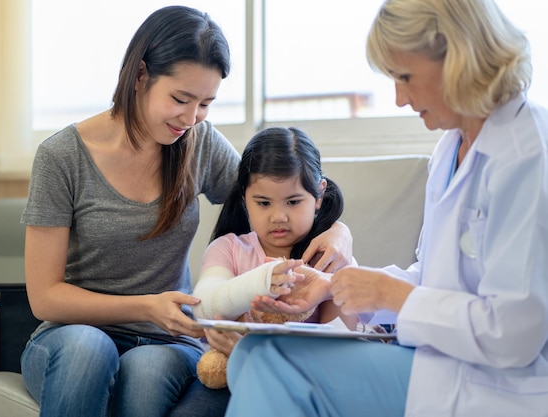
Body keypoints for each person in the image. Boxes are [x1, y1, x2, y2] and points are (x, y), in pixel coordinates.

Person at [19, 6, 352, 417]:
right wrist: (145, 306)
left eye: (206, 104)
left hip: (167, 341)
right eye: (180, 99)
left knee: (145, 374)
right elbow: (45, 298)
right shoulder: (61, 157)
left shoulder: (198, 142)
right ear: (140, 75)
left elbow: (276, 191)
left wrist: (339, 229)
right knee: (90, 350)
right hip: (70, 337)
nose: (191, 118)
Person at [224, 0, 548, 416]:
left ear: (458, 57)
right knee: (254, 351)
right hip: (443, 364)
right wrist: (338, 286)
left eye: (405, 76)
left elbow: (514, 332)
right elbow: (434, 279)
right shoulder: (450, 148)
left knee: (275, 358)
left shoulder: (527, 154)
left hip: (500, 386)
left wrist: (394, 295)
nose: (398, 98)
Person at [192, 126, 356, 329]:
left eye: (293, 202)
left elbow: (342, 342)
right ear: (244, 198)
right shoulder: (227, 249)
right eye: (264, 203)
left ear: (319, 195)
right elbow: (203, 306)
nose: (278, 217)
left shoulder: (332, 256)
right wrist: (263, 281)